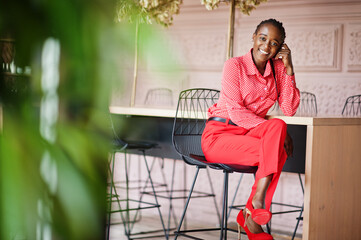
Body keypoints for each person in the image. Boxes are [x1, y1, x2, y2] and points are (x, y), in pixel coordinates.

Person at [201, 18, 300, 240]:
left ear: (281, 48)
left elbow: (289, 109)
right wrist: (277, 135)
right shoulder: (234, 66)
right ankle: (253, 215)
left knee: (279, 124)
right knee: (277, 147)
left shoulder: (278, 70)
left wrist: (290, 69)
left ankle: (255, 205)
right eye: (263, 38)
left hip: (247, 135)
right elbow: (236, 112)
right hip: (220, 135)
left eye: (274, 43)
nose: (266, 46)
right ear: (254, 37)